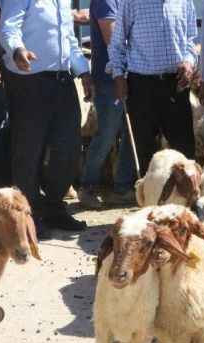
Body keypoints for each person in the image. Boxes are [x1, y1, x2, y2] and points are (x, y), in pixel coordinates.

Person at [0, 0, 92, 237]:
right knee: (28, 152)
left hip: (62, 80)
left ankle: (54, 206)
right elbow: (9, 27)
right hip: (30, 80)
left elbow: (69, 39)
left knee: (69, 148)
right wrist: (17, 49)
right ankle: (28, 215)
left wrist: (83, 70)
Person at [108, 0, 198, 178]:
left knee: (184, 148)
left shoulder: (185, 2)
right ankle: (150, 197)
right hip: (142, 85)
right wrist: (118, 76)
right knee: (145, 149)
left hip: (176, 84)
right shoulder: (131, 2)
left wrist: (189, 61)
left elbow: (190, 40)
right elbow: (117, 44)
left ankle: (185, 198)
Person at [77, 0, 135, 208]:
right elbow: (112, 39)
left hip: (129, 73)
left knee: (130, 132)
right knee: (107, 133)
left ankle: (123, 186)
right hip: (109, 77)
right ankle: (88, 186)